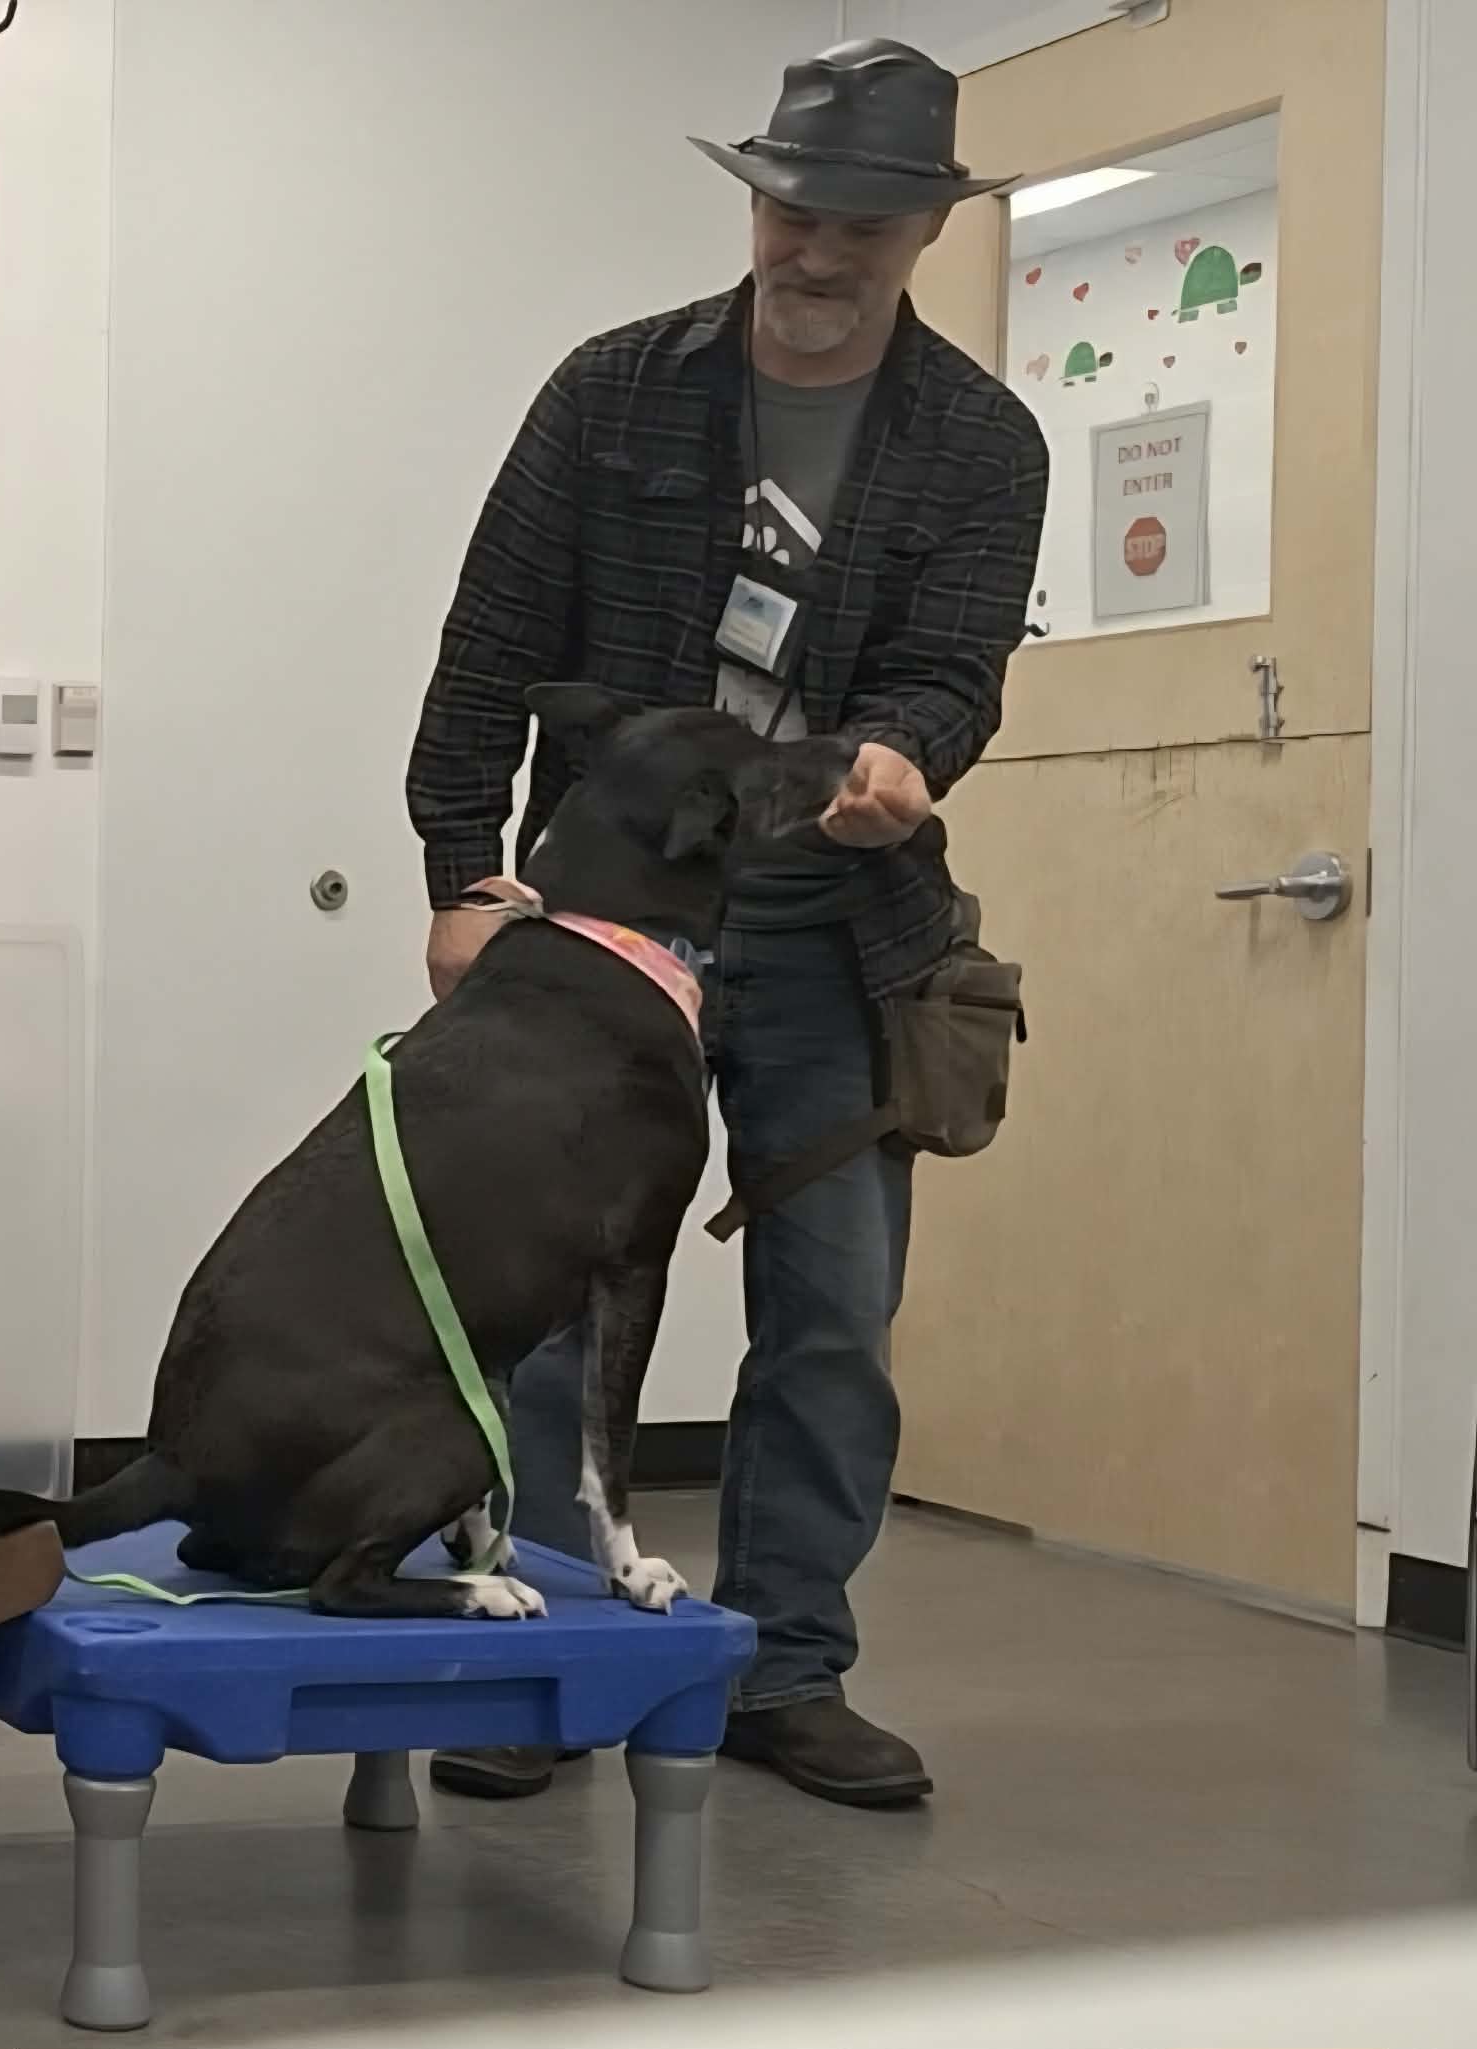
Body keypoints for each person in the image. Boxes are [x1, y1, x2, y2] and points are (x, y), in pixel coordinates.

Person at [406, 37, 1048, 1808]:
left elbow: (952, 671)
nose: (813, 250)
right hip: (595, 923)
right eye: (787, 208)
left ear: (924, 225)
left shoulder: (985, 444)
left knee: (833, 1310)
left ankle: (781, 1669)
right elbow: (486, 651)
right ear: (754, 204)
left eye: (854, 219)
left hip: (842, 929)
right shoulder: (611, 394)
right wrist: (465, 874)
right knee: (536, 1292)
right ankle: (533, 1643)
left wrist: (911, 757)